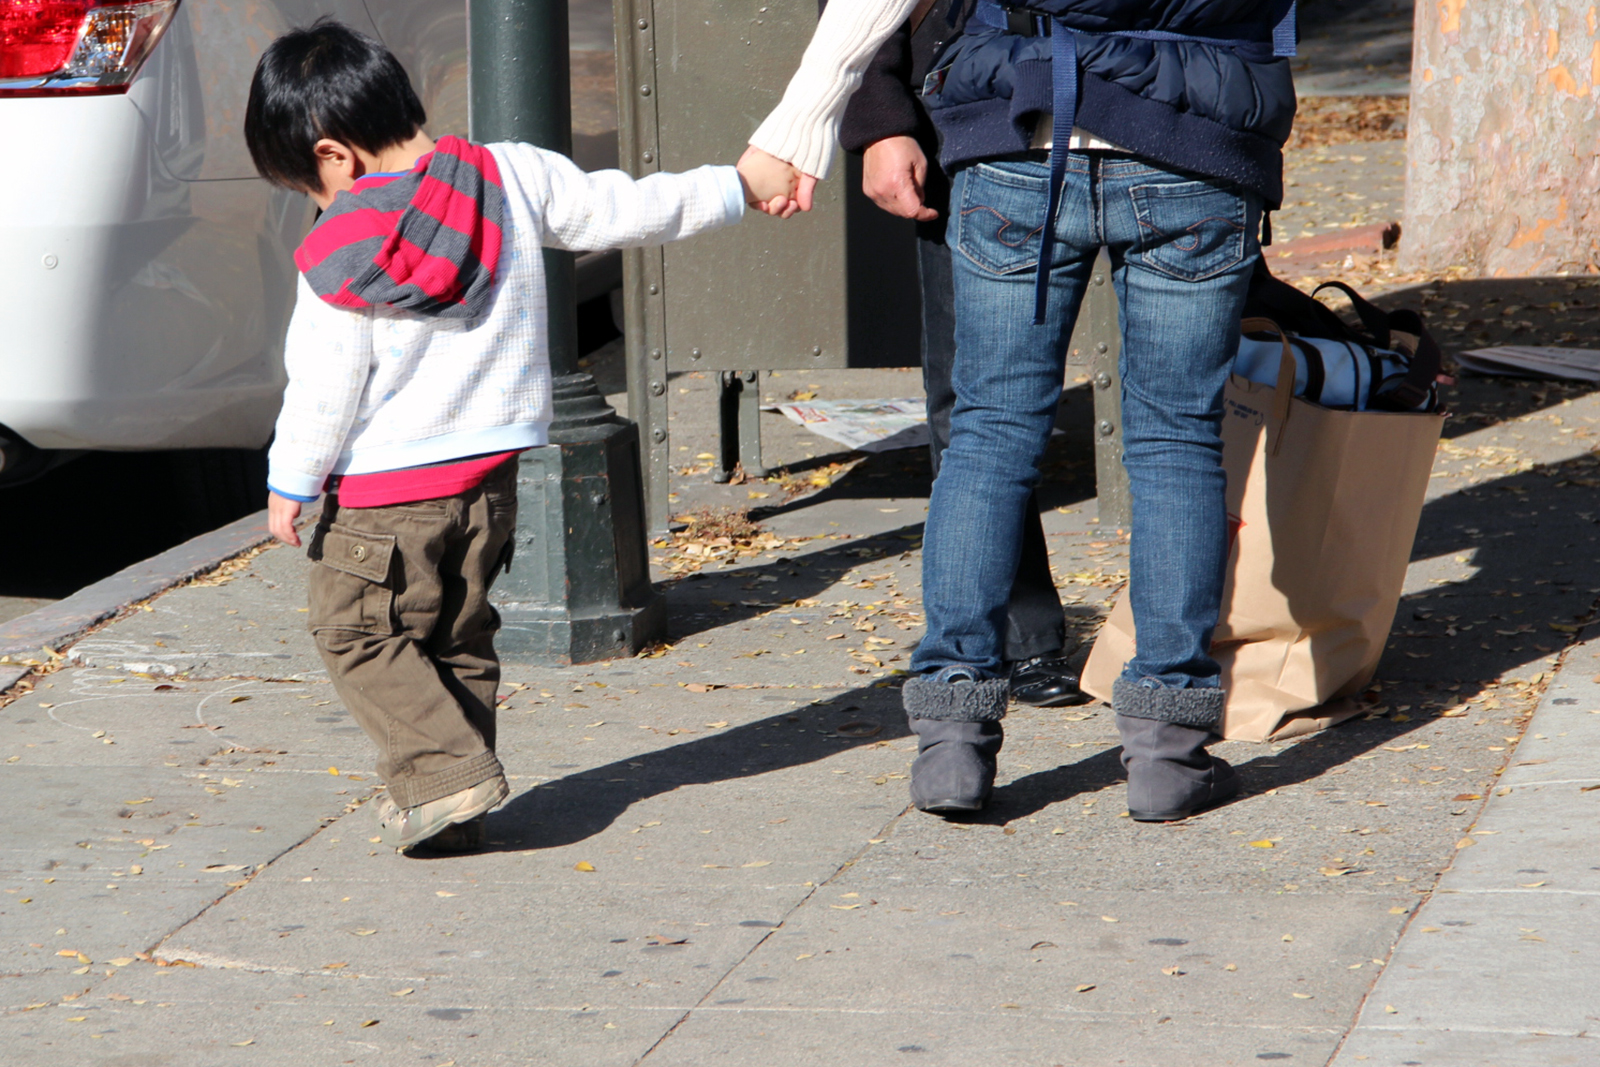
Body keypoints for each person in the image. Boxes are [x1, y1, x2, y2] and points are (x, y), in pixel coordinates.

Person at [245, 19, 792, 853]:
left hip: (383, 494)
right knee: (454, 633)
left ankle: (447, 773)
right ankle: (450, 813)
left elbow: (326, 386)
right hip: (491, 481)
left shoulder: (339, 249)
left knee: (353, 628)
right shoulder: (512, 173)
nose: (317, 206)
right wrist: (736, 186)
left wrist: (292, 480)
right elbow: (623, 208)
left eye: (307, 187)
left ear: (335, 156)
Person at [744, 0, 1296, 818]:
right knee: (1177, 441)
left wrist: (815, 117)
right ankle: (1168, 753)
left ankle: (952, 742)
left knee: (989, 436)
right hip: (1195, 133)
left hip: (1020, 128)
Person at [839, 0, 1088, 710]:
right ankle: (1007, 641)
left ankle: (1175, 660)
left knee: (1174, 422)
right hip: (975, 102)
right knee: (979, 404)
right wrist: (880, 117)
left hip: (1135, 93)